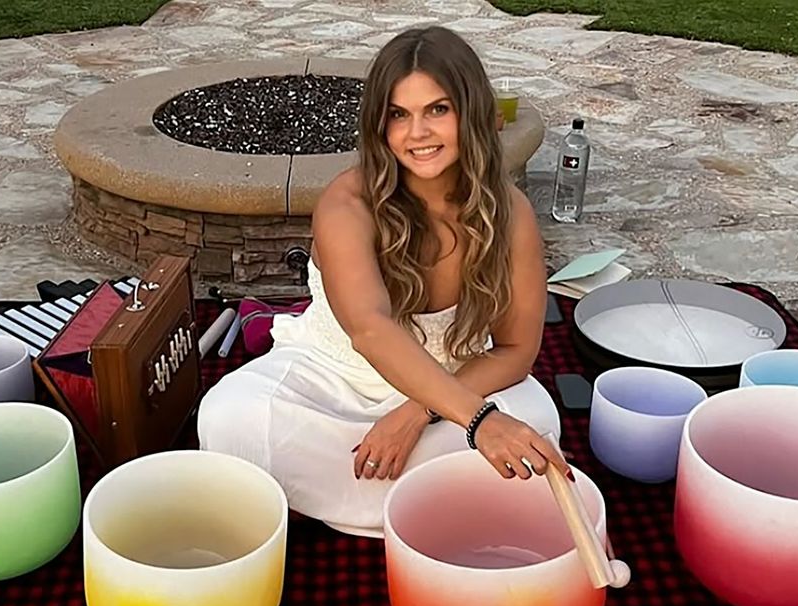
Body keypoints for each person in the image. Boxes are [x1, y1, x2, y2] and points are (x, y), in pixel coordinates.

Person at [197, 26, 564, 538]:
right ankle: (431, 507)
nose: (418, 133)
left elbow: (516, 350)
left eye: (438, 109)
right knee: (228, 417)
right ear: (379, 124)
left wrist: (420, 412)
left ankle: (322, 498)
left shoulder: (511, 213)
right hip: (332, 378)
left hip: (454, 385)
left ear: (472, 111)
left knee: (539, 421)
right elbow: (370, 329)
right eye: (399, 114)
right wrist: (481, 423)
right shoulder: (347, 203)